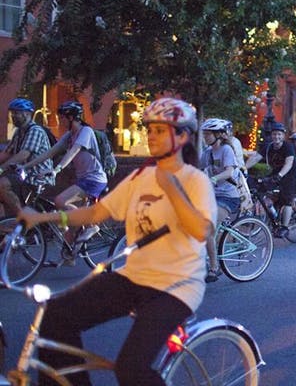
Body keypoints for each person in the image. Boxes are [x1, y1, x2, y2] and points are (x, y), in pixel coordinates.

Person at [17, 97, 215, 386]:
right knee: (55, 317)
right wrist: (43, 219)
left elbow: (201, 231)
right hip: (134, 277)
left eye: (160, 130)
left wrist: (171, 187)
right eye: (150, 130)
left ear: (182, 136)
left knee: (130, 369)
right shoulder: (140, 177)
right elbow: (98, 212)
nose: (151, 136)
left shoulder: (194, 180)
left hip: (176, 287)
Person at [21, 101, 108, 266]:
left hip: (94, 179)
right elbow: (50, 153)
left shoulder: (86, 132)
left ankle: (91, 225)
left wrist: (56, 170)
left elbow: (74, 151)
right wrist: (24, 166)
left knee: (60, 201)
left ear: (71, 117)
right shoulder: (69, 135)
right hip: (83, 179)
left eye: (62, 118)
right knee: (72, 222)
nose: (60, 121)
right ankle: (70, 255)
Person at [199, 118, 241, 282]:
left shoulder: (226, 150)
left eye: (208, 134)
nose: (205, 137)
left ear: (218, 135)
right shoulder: (207, 152)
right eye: (205, 134)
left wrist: (213, 179)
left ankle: (214, 268)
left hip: (228, 196)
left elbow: (229, 172)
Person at [0, 98, 54, 217]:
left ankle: (24, 219)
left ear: (27, 114)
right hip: (24, 174)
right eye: (12, 113)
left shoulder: (35, 131)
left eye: (17, 113)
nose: (13, 116)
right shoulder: (19, 132)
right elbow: (7, 153)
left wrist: (2, 168)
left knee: (2, 184)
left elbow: (24, 154)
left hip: (37, 176)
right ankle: (10, 222)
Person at [246, 122, 296, 238]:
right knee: (262, 188)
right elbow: (255, 158)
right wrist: (243, 168)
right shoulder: (268, 147)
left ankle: (285, 228)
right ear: (271, 135)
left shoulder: (287, 146)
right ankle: (273, 213)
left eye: (279, 134)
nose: (277, 137)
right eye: (274, 134)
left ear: (283, 136)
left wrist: (280, 175)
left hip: (290, 173)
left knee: (287, 199)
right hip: (276, 173)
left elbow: (289, 163)